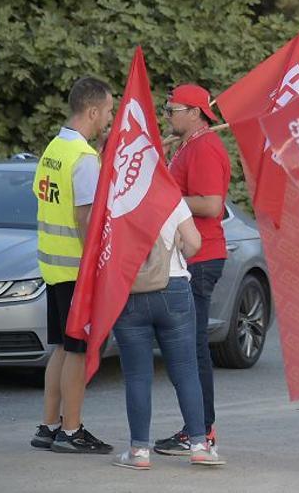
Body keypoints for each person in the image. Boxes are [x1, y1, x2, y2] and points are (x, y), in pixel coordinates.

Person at [30, 77, 115, 454]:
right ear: (92, 110)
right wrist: (96, 267)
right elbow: (85, 218)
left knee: (63, 349)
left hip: (52, 265)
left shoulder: (54, 148)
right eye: (109, 111)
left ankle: (48, 426)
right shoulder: (82, 160)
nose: (109, 118)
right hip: (75, 270)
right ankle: (71, 430)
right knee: (76, 351)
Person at [112, 198, 226, 469]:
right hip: (173, 287)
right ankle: (199, 445)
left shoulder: (114, 197)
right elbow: (195, 242)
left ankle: (139, 451)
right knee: (186, 371)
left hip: (129, 291)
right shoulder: (169, 197)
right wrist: (178, 248)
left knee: (138, 376)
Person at [154, 85, 232, 456]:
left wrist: (162, 196)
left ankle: (201, 429)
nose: (167, 115)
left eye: (172, 110)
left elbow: (211, 203)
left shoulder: (204, 147)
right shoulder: (188, 146)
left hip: (200, 258)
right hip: (188, 257)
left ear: (196, 112)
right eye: (167, 109)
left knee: (193, 347)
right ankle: (196, 427)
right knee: (185, 346)